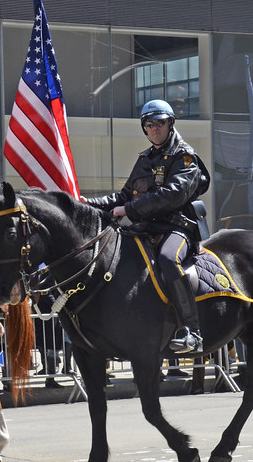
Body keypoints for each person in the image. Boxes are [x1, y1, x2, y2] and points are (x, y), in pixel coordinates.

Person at [83, 99, 210, 353]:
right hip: (145, 228)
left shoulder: (185, 157)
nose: (154, 128)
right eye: (149, 124)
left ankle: (192, 332)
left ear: (170, 123)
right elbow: (124, 196)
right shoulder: (144, 159)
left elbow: (172, 195)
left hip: (175, 228)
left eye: (159, 122)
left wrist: (128, 210)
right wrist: (88, 204)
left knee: (168, 259)